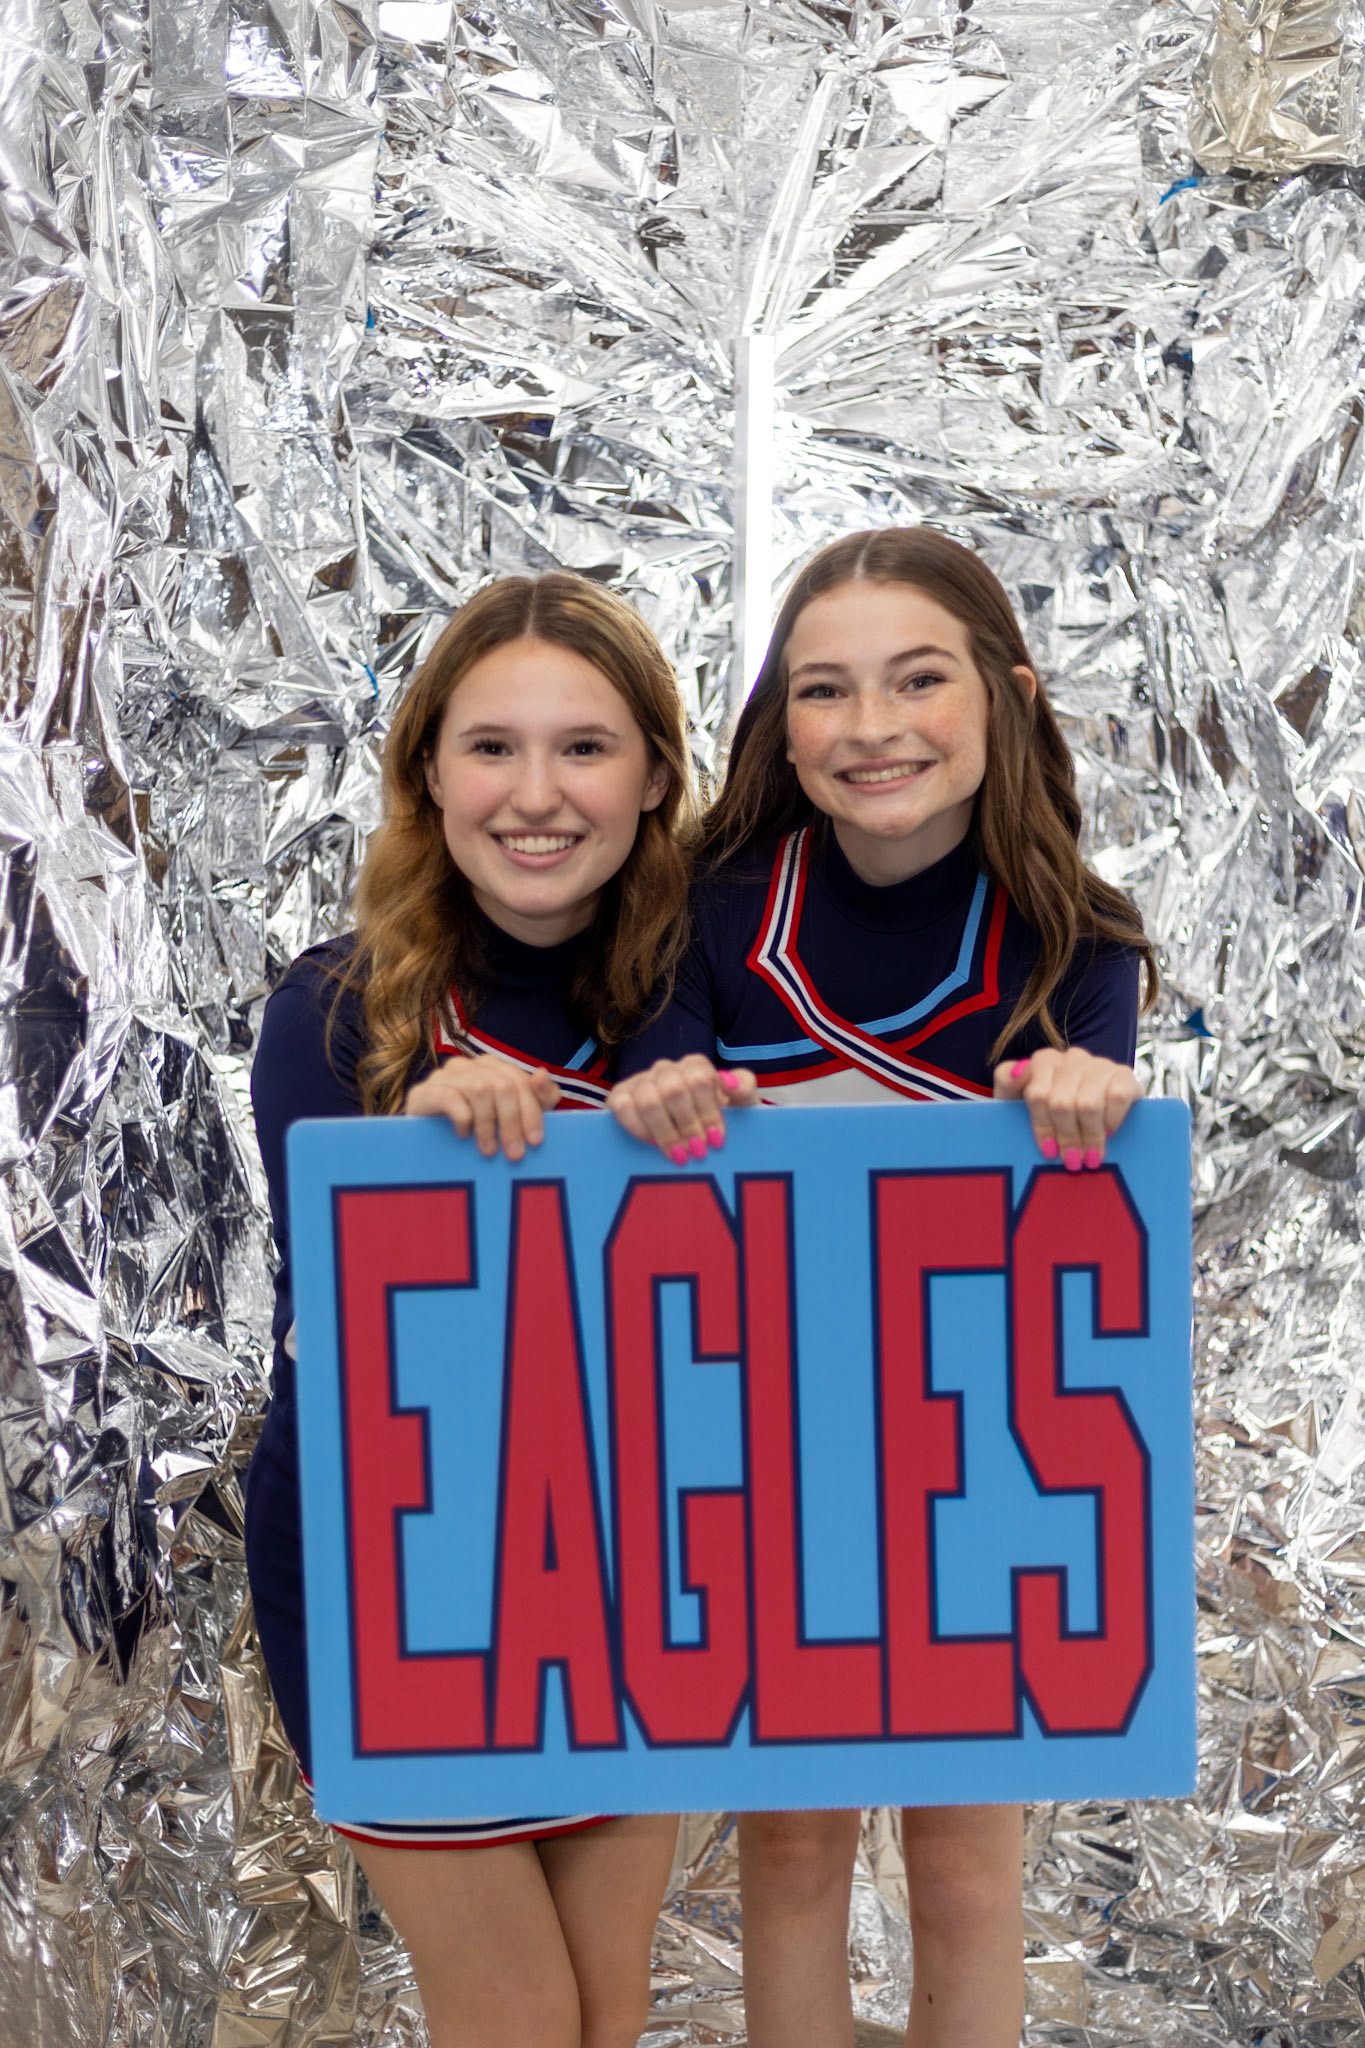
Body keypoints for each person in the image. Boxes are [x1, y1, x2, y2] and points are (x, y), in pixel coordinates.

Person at [607, 527, 1159, 2048]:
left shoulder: (1078, 936)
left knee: (969, 1866)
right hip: (760, 1447)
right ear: (779, 724)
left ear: (1005, 696)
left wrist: (1078, 1100)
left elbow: (1085, 1228)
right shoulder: (707, 908)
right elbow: (645, 1130)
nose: (870, 728)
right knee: (788, 1846)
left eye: (917, 680)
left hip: (969, 1454)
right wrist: (656, 1102)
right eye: (823, 691)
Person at [246, 572, 696, 2048]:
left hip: (636, 1572)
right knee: (511, 2016)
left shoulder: (687, 1015)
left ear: (649, 777)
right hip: (406, 1582)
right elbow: (349, 1346)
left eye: (583, 746)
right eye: (491, 746)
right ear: (427, 772)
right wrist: (419, 1157)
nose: (535, 792)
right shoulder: (340, 1010)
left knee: (603, 2016)